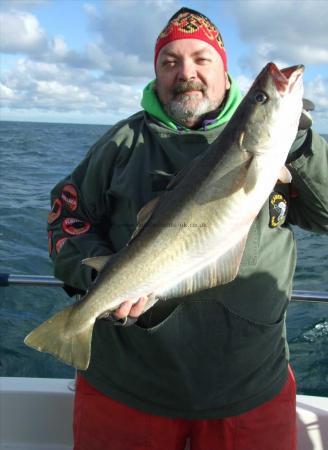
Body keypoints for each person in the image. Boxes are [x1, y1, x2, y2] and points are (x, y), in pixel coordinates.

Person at [47, 7, 328, 450]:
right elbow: (66, 216)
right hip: (128, 384)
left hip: (249, 386)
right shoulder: (121, 144)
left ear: (224, 68)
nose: (187, 73)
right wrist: (98, 277)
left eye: (202, 59)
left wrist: (299, 142)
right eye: (170, 62)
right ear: (156, 72)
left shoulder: (287, 148)